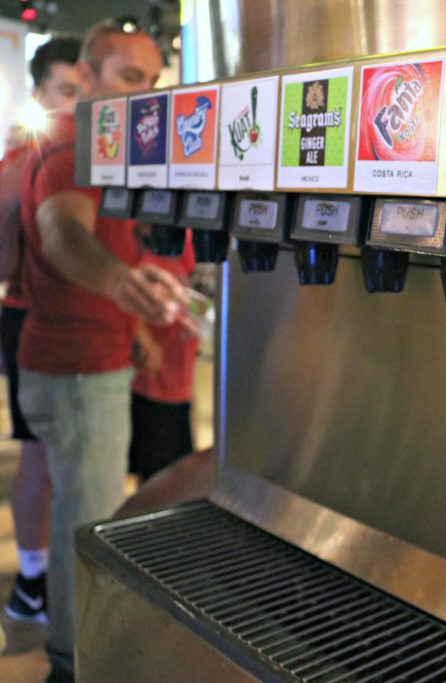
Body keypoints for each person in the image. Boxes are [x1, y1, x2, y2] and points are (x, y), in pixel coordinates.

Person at [16, 22, 184, 683]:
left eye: (151, 81)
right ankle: (72, 660)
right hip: (78, 366)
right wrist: (117, 280)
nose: (144, 94)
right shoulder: (72, 149)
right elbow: (62, 230)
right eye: (128, 79)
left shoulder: (101, 143)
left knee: (81, 511)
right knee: (85, 524)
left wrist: (131, 315)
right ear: (85, 79)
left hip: (84, 354)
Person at [1, 35, 82, 626]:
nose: (80, 103)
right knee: (41, 458)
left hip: (97, 324)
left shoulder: (98, 150)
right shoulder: (23, 160)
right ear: (41, 94)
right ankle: (34, 582)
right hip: (35, 318)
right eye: (68, 91)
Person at [130, 230, 199, 481]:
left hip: (179, 366)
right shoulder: (132, 248)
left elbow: (185, 287)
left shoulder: (185, 240)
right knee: (157, 467)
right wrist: (144, 340)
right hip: (151, 375)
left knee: (179, 462)